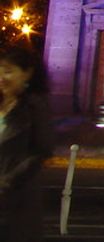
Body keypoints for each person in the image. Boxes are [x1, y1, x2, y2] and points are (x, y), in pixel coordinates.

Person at [0, 46, 52, 242]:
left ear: (27, 74)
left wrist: (7, 181)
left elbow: (43, 149)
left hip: (15, 202)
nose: (2, 77)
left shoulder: (34, 108)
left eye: (8, 71)